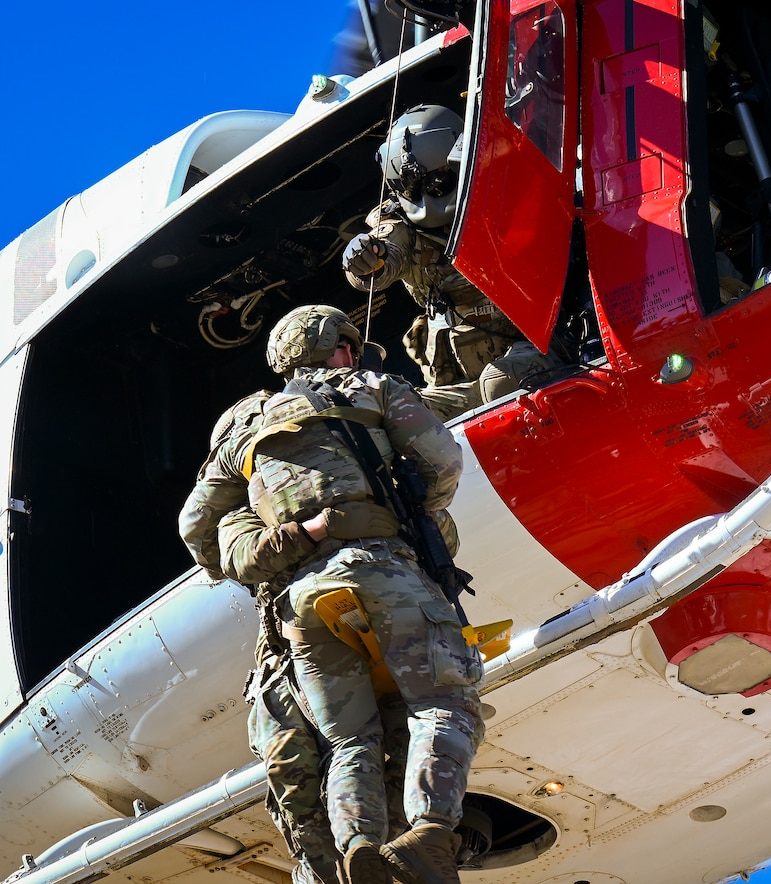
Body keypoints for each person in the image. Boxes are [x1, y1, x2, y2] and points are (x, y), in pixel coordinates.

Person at [244, 304, 484, 884]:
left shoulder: (243, 432)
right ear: (340, 347)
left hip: (299, 601)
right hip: (379, 568)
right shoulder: (372, 386)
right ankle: (428, 832)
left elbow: (199, 528)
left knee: (350, 738)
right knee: (444, 700)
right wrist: (414, 510)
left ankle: (359, 848)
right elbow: (442, 458)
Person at [179, 395, 410, 884]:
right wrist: (315, 529)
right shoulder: (244, 512)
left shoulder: (366, 479)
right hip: (289, 662)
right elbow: (240, 556)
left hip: (378, 645)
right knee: (297, 784)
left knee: (398, 770)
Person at [342, 104, 558, 420]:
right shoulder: (400, 228)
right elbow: (382, 258)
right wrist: (364, 259)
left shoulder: (506, 194)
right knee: (394, 414)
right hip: (460, 384)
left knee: (500, 383)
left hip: (533, 355)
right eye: (412, 186)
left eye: (437, 180)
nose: (428, 192)